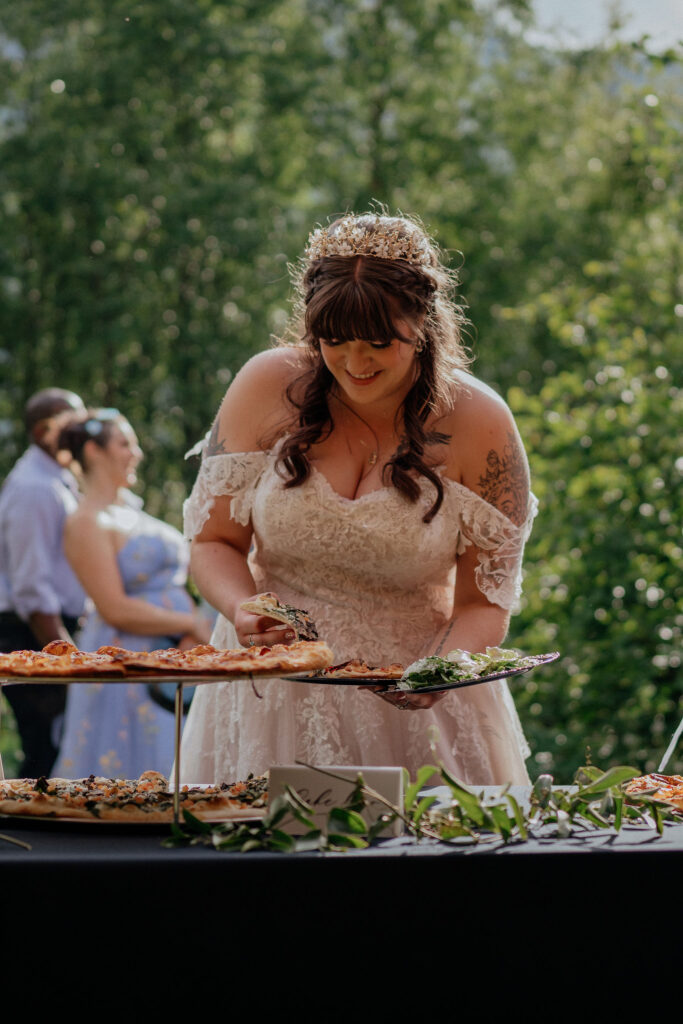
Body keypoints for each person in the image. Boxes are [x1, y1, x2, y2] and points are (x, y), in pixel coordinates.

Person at [179, 213, 537, 786]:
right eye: (334, 341)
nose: (355, 362)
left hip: (419, 699)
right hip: (270, 693)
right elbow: (214, 541)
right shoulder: (265, 386)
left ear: (421, 323)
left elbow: (485, 600)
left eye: (378, 342)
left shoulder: (480, 421)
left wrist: (436, 672)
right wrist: (242, 607)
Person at [52, 409, 211, 779]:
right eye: (125, 443)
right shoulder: (85, 521)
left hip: (170, 653)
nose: (136, 453)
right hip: (125, 658)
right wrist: (190, 622)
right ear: (93, 451)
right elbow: (114, 607)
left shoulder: (129, 512)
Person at [0, 387, 86, 777]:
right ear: (42, 432)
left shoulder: (56, 479)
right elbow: (31, 585)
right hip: (32, 633)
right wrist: (63, 653)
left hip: (48, 629)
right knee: (44, 747)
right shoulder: (34, 488)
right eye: (74, 422)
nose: (83, 431)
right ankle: (32, 832)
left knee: (55, 744)